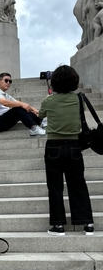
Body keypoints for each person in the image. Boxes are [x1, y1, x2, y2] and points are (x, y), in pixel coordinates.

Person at [39, 65, 94, 236]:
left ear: (54, 82)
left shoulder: (48, 100)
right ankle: (87, 223)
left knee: (55, 186)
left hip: (54, 146)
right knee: (78, 184)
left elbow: (40, 115)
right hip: (74, 145)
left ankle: (58, 225)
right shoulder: (79, 99)